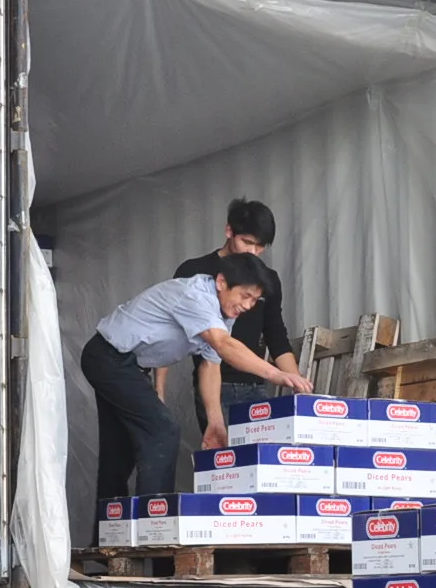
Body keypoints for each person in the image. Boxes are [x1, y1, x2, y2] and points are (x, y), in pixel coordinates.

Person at [81, 254, 312, 523]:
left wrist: (215, 422)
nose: (248, 306)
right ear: (222, 282)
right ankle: (155, 533)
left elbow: (210, 365)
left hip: (126, 365)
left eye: (254, 300)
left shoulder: (223, 312)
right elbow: (224, 346)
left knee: (118, 452)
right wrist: (276, 373)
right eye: (245, 296)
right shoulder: (194, 295)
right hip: (109, 358)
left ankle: (107, 542)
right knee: (163, 431)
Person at [169, 198, 301, 448]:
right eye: (247, 242)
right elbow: (169, 333)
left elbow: (276, 336)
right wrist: (160, 392)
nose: (253, 252)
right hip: (215, 384)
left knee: (265, 466)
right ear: (229, 231)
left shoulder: (267, 279)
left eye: (260, 246)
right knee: (229, 464)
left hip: (256, 384)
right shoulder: (195, 271)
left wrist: (298, 386)